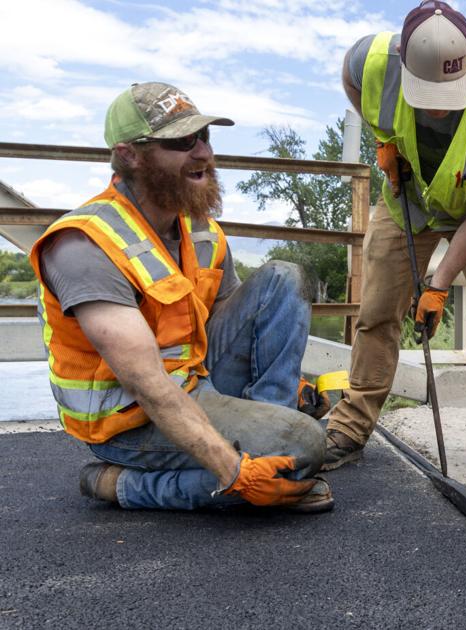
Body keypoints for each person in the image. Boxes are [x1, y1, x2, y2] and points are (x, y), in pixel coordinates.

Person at [31, 82, 331, 512]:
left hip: (194, 383)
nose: (204, 153)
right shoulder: (86, 244)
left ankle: (274, 446)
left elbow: (229, 325)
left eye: (205, 137)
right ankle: (121, 484)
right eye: (182, 141)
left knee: (284, 277)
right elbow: (148, 384)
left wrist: (281, 393)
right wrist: (234, 473)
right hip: (129, 423)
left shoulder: (199, 229)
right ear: (130, 155)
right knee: (305, 445)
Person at [326, 0, 466, 482]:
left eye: (449, 90)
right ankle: (350, 426)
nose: (439, 104)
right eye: (426, 92)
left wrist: (438, 284)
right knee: (377, 313)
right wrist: (383, 137)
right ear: (403, 60)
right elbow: (350, 76)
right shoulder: (371, 60)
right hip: (408, 202)